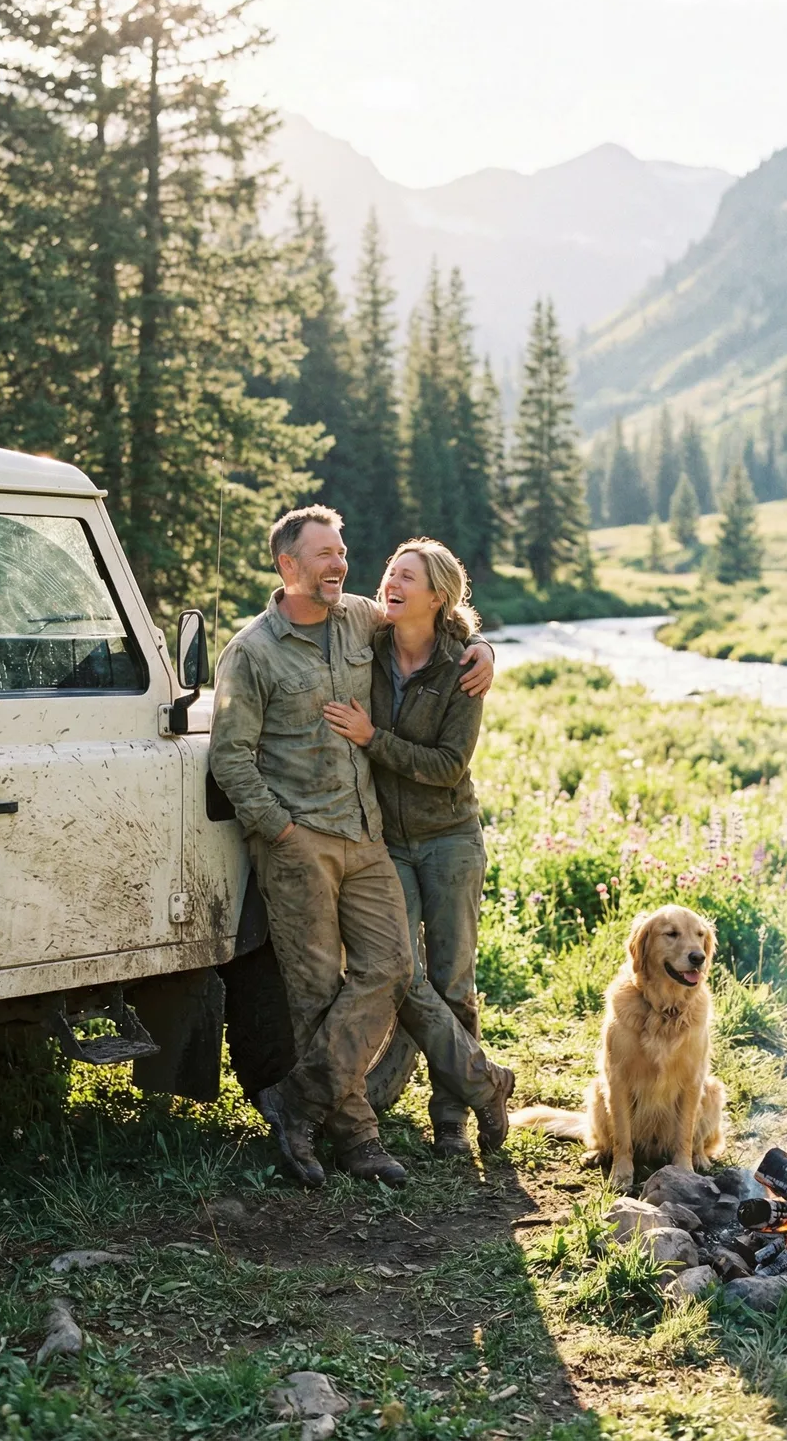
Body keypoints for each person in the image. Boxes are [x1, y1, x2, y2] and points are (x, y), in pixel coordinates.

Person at [208, 506, 495, 1189]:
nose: (341, 564)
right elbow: (231, 755)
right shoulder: (251, 652)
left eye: (343, 551)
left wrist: (487, 652)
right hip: (298, 843)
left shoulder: (360, 617)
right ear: (287, 566)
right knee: (313, 992)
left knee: (394, 968)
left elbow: (441, 621)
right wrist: (279, 830)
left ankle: (295, 1102)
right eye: (324, 555)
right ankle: (359, 1139)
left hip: (366, 836)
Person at [323, 539, 514, 1158]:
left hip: (450, 839)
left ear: (436, 597)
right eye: (390, 573)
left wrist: (374, 737)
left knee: (453, 979)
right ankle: (486, 1084)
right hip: (386, 843)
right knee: (399, 974)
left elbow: (448, 766)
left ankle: (450, 1119)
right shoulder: (368, 641)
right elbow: (313, 607)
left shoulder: (464, 667)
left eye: (407, 577)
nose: (391, 582)